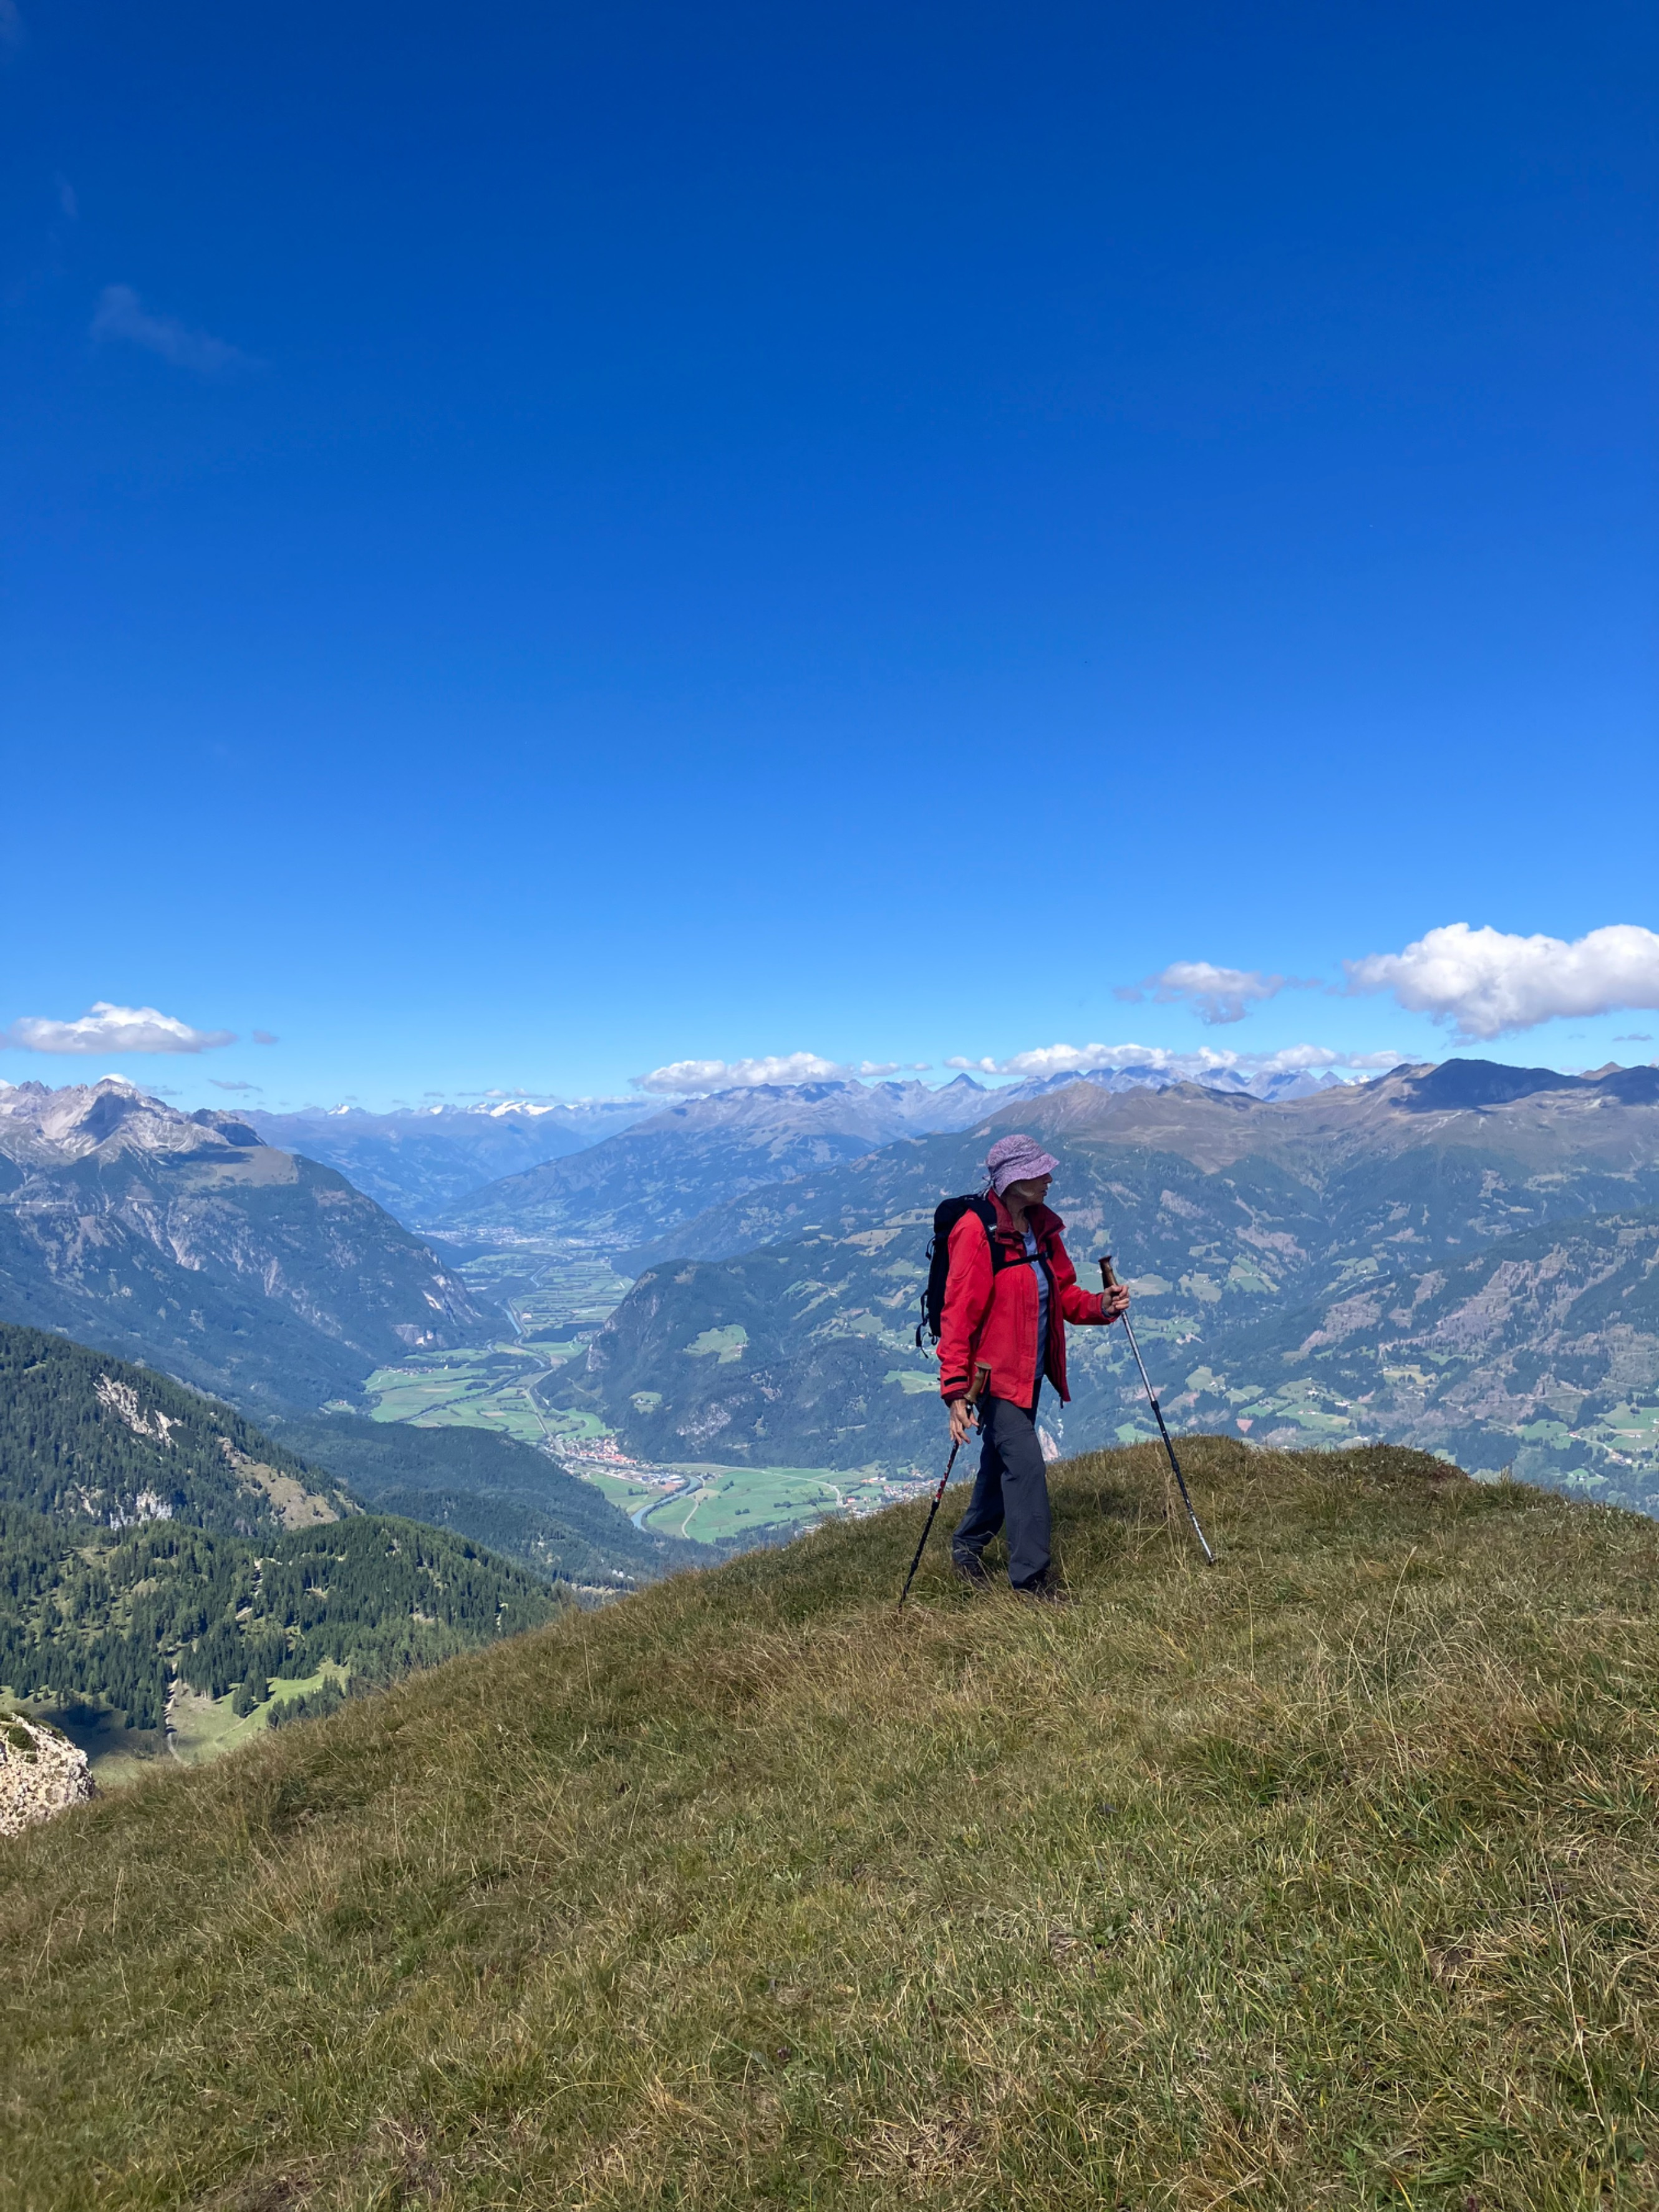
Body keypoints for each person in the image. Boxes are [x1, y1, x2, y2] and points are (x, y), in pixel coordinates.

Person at [937, 1132, 1130, 1597]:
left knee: (1000, 1459)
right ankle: (1032, 1582)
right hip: (994, 1378)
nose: (1049, 1179)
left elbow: (1062, 1292)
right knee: (1026, 1467)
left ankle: (968, 1543)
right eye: (1039, 1173)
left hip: (1031, 1372)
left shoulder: (1041, 1226)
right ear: (1014, 1181)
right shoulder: (976, 1233)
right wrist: (956, 1391)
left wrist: (1101, 1305)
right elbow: (957, 1316)